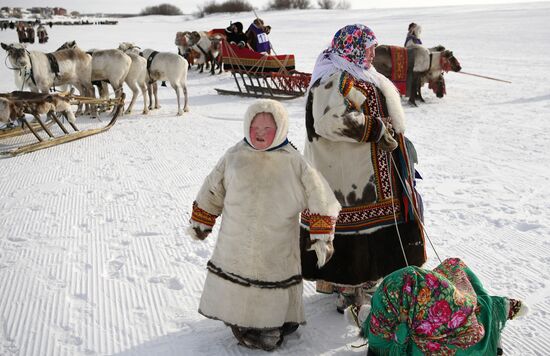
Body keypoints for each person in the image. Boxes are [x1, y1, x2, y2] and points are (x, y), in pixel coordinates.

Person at [188, 99, 340, 351]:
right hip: (235, 240)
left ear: (280, 128)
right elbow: (213, 188)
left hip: (276, 243)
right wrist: (202, 220)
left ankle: (276, 321)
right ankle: (247, 322)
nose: (259, 133)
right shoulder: (235, 155)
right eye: (254, 127)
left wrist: (322, 233)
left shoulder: (293, 161)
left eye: (267, 128)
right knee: (238, 279)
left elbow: (320, 195)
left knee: (271, 282)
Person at [300, 24, 427, 313]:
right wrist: (377, 128)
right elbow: (331, 120)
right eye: (369, 46)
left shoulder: (355, 74)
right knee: (351, 236)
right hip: (348, 179)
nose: (373, 52)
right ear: (353, 47)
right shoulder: (334, 77)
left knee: (372, 233)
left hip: (368, 175)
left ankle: (367, 281)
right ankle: (347, 288)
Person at [347, 258, 528, 355]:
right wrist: (506, 307)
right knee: (454, 267)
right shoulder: (470, 315)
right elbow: (495, 306)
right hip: (448, 316)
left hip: (401, 322)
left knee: (383, 317)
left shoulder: (401, 340)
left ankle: (363, 314)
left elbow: (380, 341)